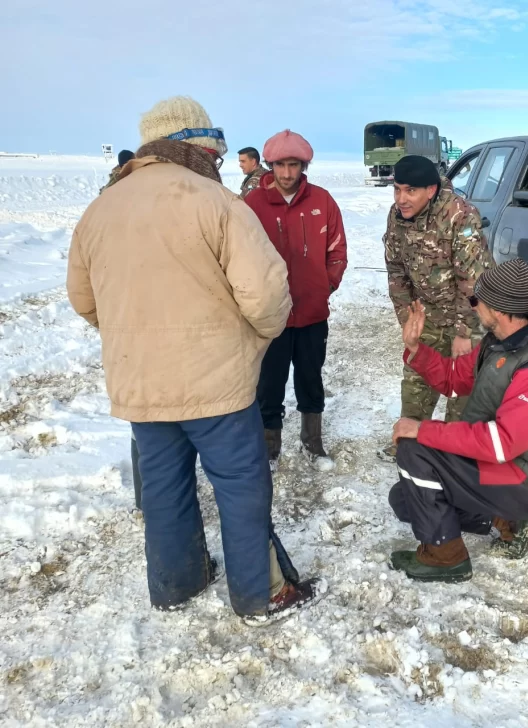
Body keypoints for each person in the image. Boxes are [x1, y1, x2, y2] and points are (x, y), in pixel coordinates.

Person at [67, 96, 320, 620]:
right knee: (241, 485)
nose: (218, 163)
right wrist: (257, 339)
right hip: (215, 383)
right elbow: (266, 296)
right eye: (215, 154)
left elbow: (83, 299)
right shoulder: (216, 202)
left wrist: (133, 336)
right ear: (198, 147)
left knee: (162, 486)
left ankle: (177, 584)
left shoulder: (101, 209)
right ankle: (260, 593)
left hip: (141, 383)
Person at [388, 258, 528, 582]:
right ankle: (506, 520)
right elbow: (454, 379)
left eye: (475, 300)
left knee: (415, 451)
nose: (472, 306)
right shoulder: (499, 345)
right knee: (404, 500)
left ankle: (445, 558)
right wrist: (415, 349)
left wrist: (424, 430)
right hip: (499, 465)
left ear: (496, 309)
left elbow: (501, 443)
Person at [244, 130, 347, 471]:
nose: (287, 173)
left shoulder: (322, 201)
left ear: (304, 166)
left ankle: (311, 440)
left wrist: (324, 286)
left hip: (312, 312)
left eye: (294, 165)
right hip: (269, 315)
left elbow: (337, 250)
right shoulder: (252, 205)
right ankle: (269, 445)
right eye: (280, 165)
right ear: (269, 165)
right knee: (269, 382)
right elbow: (241, 256)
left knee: (310, 376)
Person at [379, 155, 492, 462]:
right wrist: (407, 318)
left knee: (463, 389)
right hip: (426, 312)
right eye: (397, 189)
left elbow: (473, 280)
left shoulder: (460, 215)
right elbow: (396, 270)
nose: (401, 199)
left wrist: (463, 332)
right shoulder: (397, 216)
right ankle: (409, 443)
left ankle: (457, 454)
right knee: (416, 379)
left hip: (467, 314)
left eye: (410, 191)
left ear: (430, 190)